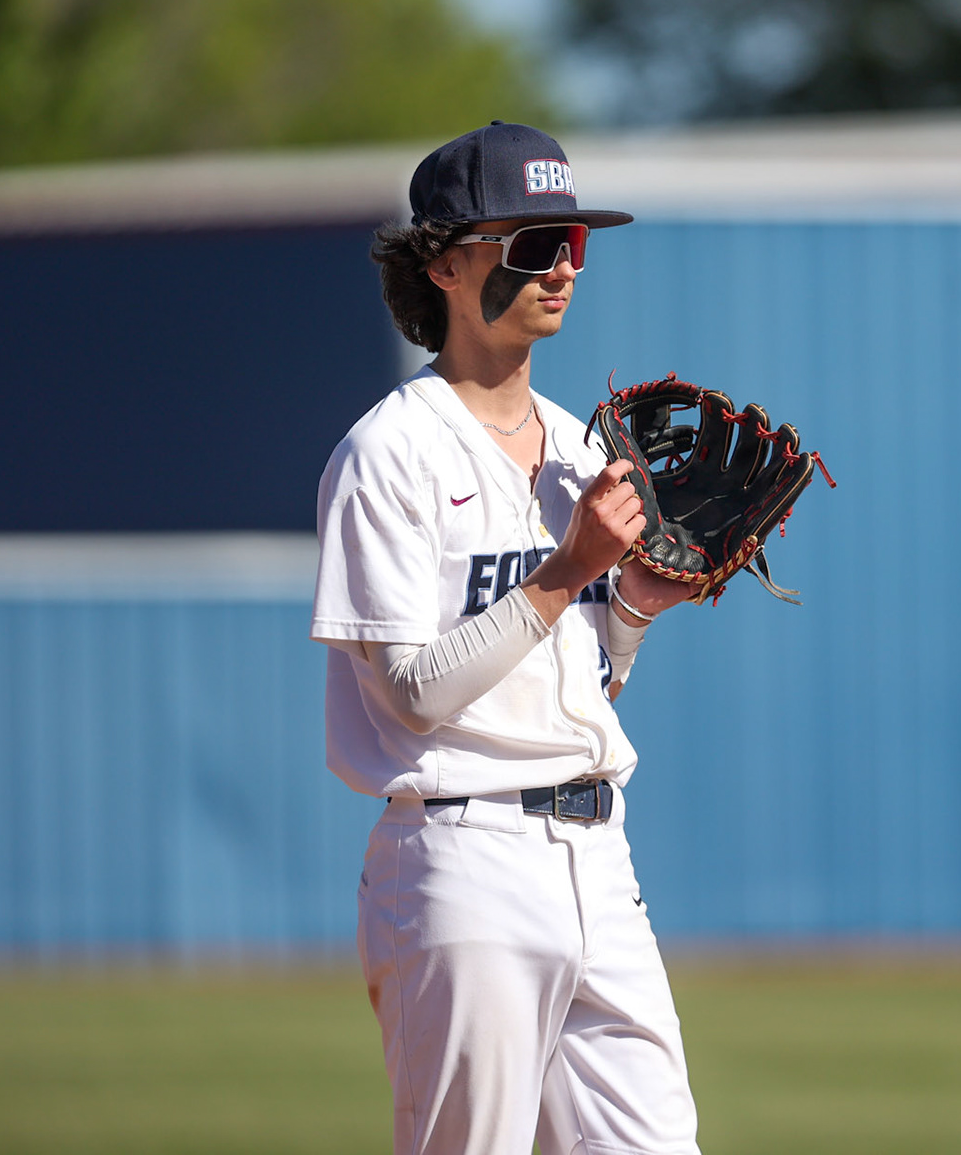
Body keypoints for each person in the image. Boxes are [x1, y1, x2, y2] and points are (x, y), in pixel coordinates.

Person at [310, 121, 702, 1155]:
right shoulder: (388, 452)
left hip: (596, 853)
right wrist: (567, 570)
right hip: (461, 852)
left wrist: (635, 606)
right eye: (531, 242)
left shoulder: (581, 445)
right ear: (445, 261)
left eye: (572, 243)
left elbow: (579, 678)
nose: (561, 266)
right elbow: (412, 694)